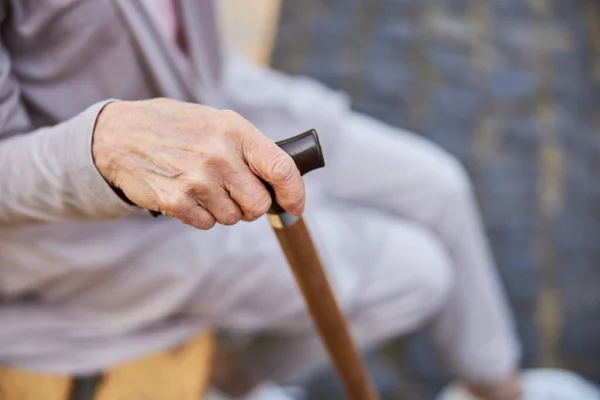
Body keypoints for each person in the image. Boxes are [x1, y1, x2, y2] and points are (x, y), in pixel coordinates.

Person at [0, 0, 521, 399]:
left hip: (208, 95)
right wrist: (104, 146)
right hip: (76, 235)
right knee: (417, 272)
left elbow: (173, 37)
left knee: (439, 183)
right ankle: (236, 379)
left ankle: (496, 383)